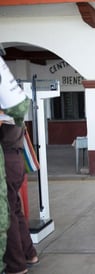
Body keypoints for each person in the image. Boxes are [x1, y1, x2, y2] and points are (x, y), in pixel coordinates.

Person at [0, 55, 38, 274]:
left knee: (7, 214)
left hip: (5, 159)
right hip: (14, 159)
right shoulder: (13, 105)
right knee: (15, 209)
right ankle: (28, 253)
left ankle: (15, 265)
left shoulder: (6, 108)